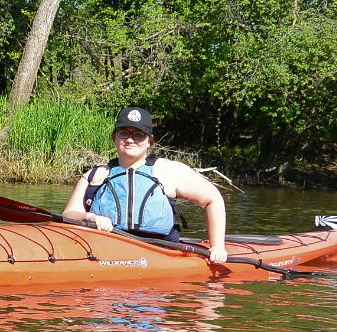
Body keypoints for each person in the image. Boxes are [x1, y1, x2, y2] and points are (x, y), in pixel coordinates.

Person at [62, 107, 228, 264]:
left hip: (160, 251)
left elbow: (213, 199)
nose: (130, 140)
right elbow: (68, 214)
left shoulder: (169, 171)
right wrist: (90, 217)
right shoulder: (94, 175)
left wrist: (217, 246)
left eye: (138, 135)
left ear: (149, 141)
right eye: (124, 133)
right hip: (103, 249)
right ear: (114, 137)